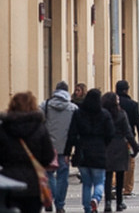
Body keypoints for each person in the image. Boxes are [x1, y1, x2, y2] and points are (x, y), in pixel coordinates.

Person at [0, 91, 56, 213]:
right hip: (33, 183)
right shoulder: (40, 128)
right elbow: (48, 156)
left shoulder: (4, 128)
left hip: (8, 182)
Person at [65, 89, 114, 213]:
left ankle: (87, 208)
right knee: (99, 181)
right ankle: (96, 199)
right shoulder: (105, 114)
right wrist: (104, 144)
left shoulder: (78, 113)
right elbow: (111, 133)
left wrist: (67, 152)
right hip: (99, 151)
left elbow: (71, 134)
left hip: (82, 151)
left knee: (86, 183)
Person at [43, 81, 77, 213]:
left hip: (48, 147)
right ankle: (60, 204)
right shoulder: (73, 108)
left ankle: (50, 199)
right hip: (65, 148)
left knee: (48, 174)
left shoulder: (45, 105)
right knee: (63, 176)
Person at [101, 92, 137, 212]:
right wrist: (135, 147)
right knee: (120, 175)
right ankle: (119, 202)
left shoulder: (102, 114)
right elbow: (128, 132)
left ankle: (107, 202)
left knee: (107, 175)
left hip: (106, 146)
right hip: (120, 146)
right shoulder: (121, 114)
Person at [114, 81, 139, 199]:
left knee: (112, 161)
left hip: (111, 139)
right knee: (130, 162)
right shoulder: (132, 105)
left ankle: (114, 184)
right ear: (127, 90)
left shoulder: (109, 104)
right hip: (128, 139)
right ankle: (127, 188)